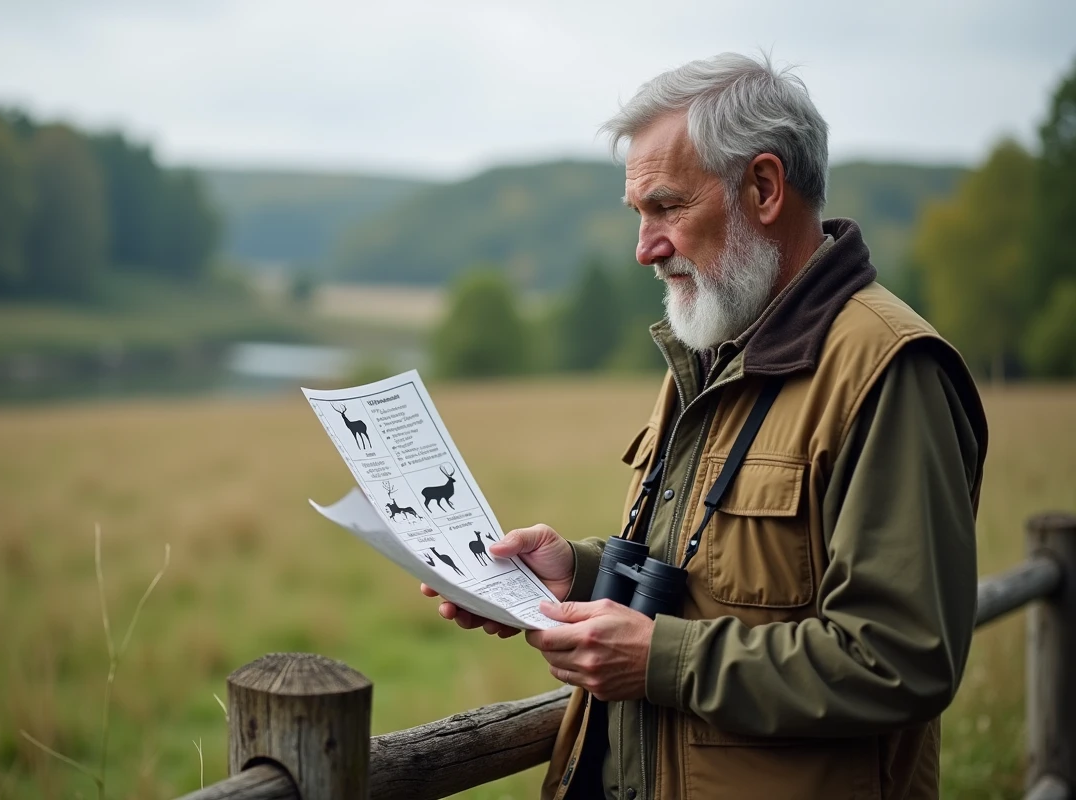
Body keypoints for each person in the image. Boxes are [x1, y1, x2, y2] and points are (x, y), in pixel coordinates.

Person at [422, 52, 987, 800]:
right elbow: (713, 579)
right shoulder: (714, 342)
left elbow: (901, 660)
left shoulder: (889, 371)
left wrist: (661, 660)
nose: (645, 248)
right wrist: (575, 572)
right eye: (639, 216)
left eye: (667, 208)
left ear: (762, 188)